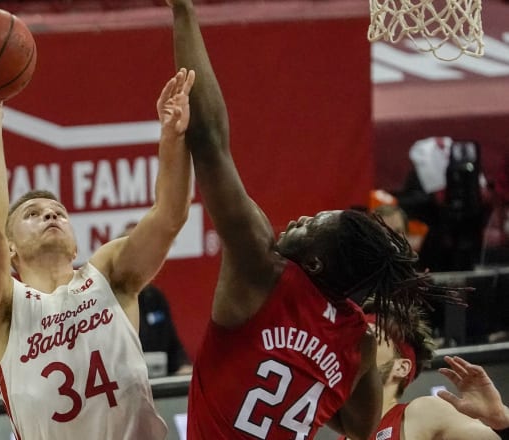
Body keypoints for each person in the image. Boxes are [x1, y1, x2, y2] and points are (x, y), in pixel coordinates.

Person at [167, 1, 461, 439]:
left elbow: (209, 141)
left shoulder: (262, 270)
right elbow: (361, 430)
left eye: (313, 224)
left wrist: (184, 11)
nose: (302, 219)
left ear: (319, 263)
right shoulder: (358, 343)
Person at [0, 66, 195, 439]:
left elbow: (171, 215)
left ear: (75, 243)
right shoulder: (4, 307)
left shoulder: (108, 274)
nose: (49, 214)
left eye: (58, 212)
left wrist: (173, 138)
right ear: (11, 250)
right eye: (32, 214)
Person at [338, 302, 507, 440]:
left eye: (370, 339)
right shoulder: (343, 435)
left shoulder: (423, 413)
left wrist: (500, 418)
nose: (356, 346)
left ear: (401, 367)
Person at [119, 223, 192, 377]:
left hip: (159, 384)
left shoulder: (155, 298)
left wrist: (183, 366)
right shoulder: (105, 301)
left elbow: (174, 349)